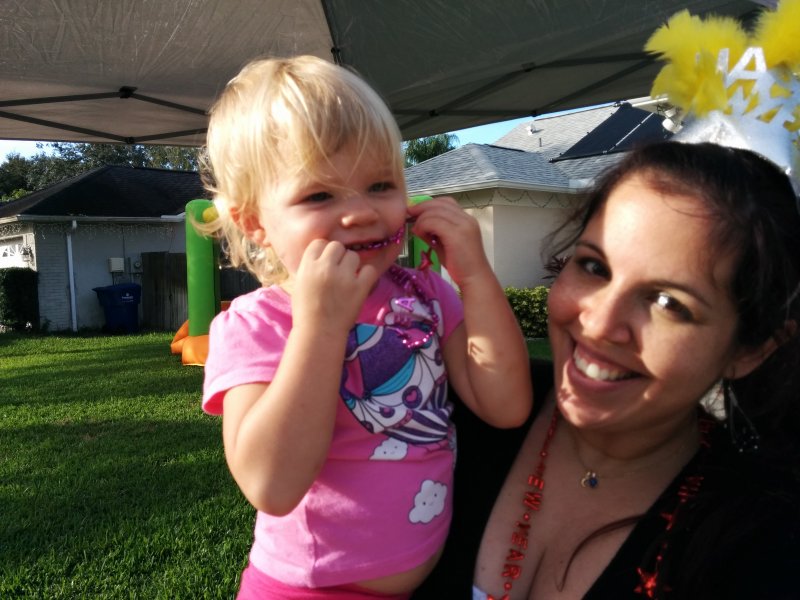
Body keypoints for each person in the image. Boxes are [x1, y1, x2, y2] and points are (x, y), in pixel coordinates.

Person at [200, 55, 532, 600]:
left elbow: (507, 405)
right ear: (255, 222)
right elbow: (271, 486)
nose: (360, 213)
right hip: (304, 591)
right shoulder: (257, 324)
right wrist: (321, 326)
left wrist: (474, 274)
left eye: (381, 185)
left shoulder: (424, 294)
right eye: (319, 195)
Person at [412, 141, 800, 599]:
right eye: (594, 266)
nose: (599, 324)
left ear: (751, 350)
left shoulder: (764, 545)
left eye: (669, 303)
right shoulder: (447, 404)